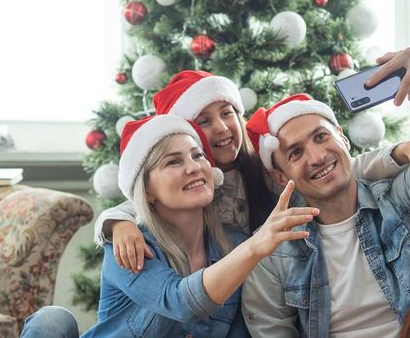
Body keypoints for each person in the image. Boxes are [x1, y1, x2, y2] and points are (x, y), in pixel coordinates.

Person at [242, 47, 410, 338]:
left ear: (343, 139)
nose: (317, 157)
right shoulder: (272, 251)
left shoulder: (401, 200)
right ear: (280, 176)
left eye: (321, 137)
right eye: (296, 153)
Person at [95, 70, 410, 273]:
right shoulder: (191, 183)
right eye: (204, 121)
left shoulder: (265, 169)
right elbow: (136, 202)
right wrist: (118, 224)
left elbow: (344, 168)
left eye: (227, 113)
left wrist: (398, 152)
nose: (223, 128)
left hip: (277, 277)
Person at [22, 114, 317, 337]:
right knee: (52, 320)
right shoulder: (130, 245)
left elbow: (240, 329)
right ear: (147, 190)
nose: (193, 167)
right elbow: (180, 302)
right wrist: (256, 246)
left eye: (197, 155)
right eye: (173, 162)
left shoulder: (235, 244)